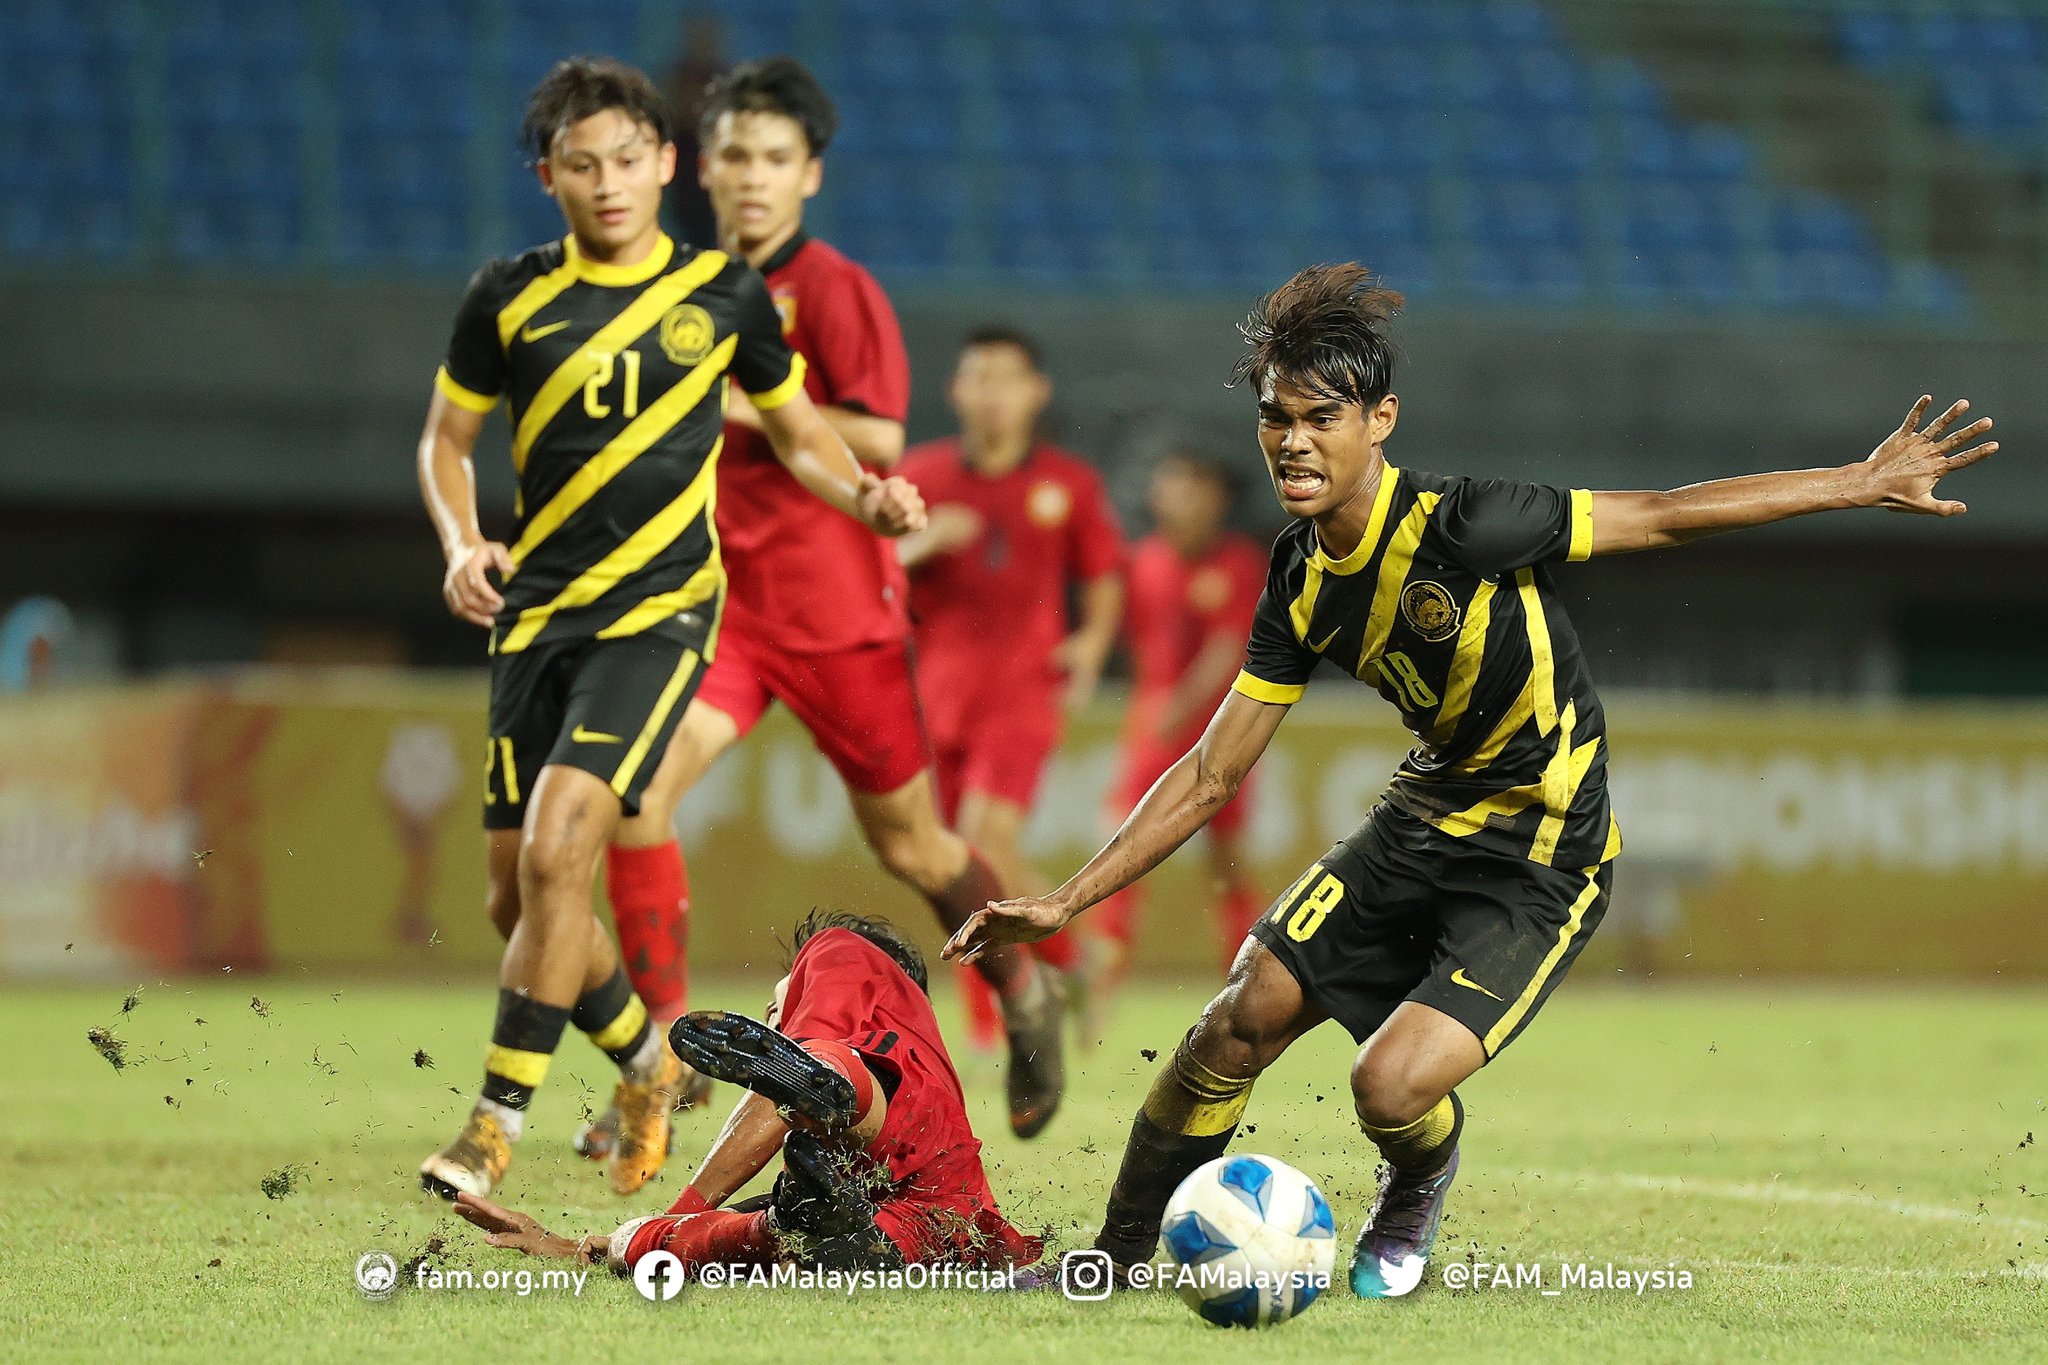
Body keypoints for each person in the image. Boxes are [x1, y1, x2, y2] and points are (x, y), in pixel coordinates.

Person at [941, 262, 1997, 1297]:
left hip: (1543, 853)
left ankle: (1415, 1180)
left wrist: (1854, 483)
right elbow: (1215, 766)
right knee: (1232, 1021)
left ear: (1379, 421)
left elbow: (1666, 511)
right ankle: (1114, 1259)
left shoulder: (1467, 525)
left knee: (1385, 1086)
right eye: (1276, 419)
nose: (1293, 442)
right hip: (1424, 814)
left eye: (1320, 418)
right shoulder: (1300, 577)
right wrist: (1065, 898)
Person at [414, 57, 923, 1200]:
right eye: (581, 165)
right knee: (521, 897)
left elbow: (798, 432)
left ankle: (489, 1133)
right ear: (548, 177)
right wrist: (458, 540)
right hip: (535, 615)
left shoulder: (719, 297)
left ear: (665, 166)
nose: (608, 183)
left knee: (559, 855)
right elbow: (444, 439)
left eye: (628, 161)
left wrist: (867, 497)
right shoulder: (506, 295)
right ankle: (645, 1060)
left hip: (659, 619)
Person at [585, 59, 1067, 1152]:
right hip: (721, 616)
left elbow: (886, 441)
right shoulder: (681, 288)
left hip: (839, 617)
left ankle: (1025, 993)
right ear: (702, 170)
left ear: (807, 176)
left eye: (774, 160)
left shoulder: (835, 288)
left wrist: (742, 399)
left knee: (915, 848)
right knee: (635, 798)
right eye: (735, 158)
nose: (751, 179)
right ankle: (665, 1063)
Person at [451, 911, 1044, 1278]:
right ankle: (818, 1233)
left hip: (879, 1108)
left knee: (829, 960)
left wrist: (681, 1211)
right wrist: (575, 1247)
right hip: (937, 1228)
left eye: (780, 991)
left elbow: (793, 1075)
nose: (770, 1006)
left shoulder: (857, 972)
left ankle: (818, 1081)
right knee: (750, 1233)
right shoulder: (857, 1131)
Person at [896, 328, 1125, 1047]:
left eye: (1007, 377)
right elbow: (865, 565)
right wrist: (921, 542)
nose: (993, 392)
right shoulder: (921, 475)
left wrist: (1088, 643)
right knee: (950, 858)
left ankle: (994, 1019)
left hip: (1024, 690)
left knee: (983, 840)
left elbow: (1103, 577)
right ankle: (1066, 956)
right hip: (934, 697)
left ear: (1036, 392)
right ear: (956, 392)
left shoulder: (1068, 484)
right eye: (979, 377)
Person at [1084, 451, 1268, 1029]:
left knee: (1227, 870)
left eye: (1197, 487)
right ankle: (1096, 997)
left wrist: (1180, 707)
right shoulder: (1142, 564)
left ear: (1218, 498)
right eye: (1174, 486)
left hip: (1225, 740)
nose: (1184, 499)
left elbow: (1229, 650)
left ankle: (1250, 996)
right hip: (1152, 740)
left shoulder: (1238, 563)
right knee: (1117, 860)